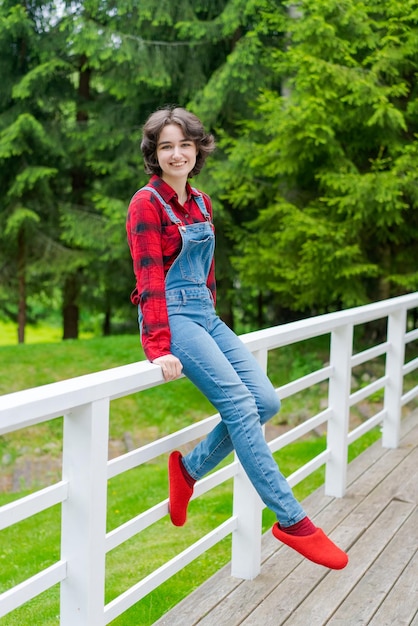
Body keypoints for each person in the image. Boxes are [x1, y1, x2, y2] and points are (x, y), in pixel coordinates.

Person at [126, 106, 348, 570]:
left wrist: (214, 324)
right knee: (241, 406)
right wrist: (159, 347)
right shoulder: (145, 203)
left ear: (196, 149)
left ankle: (188, 470)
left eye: (184, 144)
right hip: (173, 316)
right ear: (155, 154)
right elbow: (148, 278)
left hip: (205, 314)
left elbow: (205, 276)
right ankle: (292, 519)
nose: (176, 153)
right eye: (166, 146)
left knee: (265, 401)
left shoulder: (202, 203)